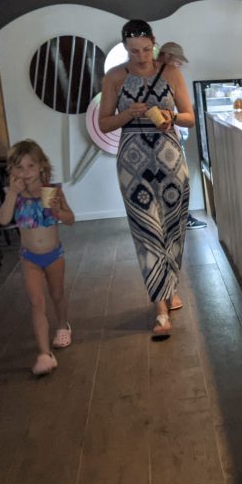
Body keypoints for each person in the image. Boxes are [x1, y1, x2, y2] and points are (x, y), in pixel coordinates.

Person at [97, 20, 196, 340]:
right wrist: (129, 114)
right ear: (125, 48)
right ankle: (160, 309)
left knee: (173, 231)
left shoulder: (170, 73)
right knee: (146, 231)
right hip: (133, 165)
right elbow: (105, 123)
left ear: (154, 43)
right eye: (133, 51)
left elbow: (190, 118)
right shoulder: (114, 78)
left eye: (145, 49)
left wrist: (171, 117)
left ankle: (169, 289)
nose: (141, 56)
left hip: (171, 163)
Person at [0, 139, 76, 375]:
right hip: (29, 257)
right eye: (19, 168)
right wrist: (11, 193)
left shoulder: (52, 192)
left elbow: (71, 219)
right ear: (12, 171)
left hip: (54, 255)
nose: (26, 172)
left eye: (30, 166)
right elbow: (2, 219)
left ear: (41, 166)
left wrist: (58, 212)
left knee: (57, 294)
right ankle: (44, 353)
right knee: (36, 303)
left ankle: (63, 325)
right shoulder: (15, 195)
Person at [158, 41, 207, 230]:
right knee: (176, 180)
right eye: (178, 62)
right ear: (167, 57)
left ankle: (179, 217)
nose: (179, 67)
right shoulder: (166, 78)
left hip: (172, 137)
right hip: (170, 140)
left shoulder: (167, 77)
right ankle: (180, 218)